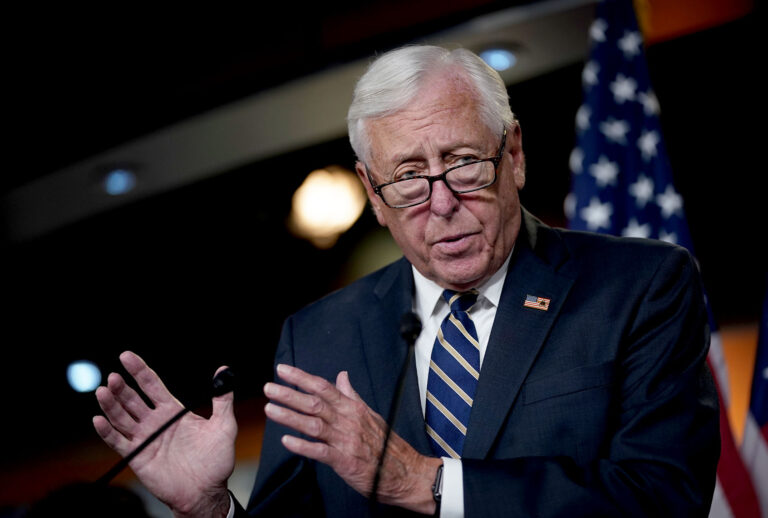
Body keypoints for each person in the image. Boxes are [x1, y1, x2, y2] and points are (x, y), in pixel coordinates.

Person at [93, 45, 719, 517]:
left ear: (516, 154)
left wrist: (426, 482)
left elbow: (664, 496)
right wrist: (212, 509)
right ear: (372, 192)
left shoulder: (640, 285)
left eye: (463, 163)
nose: (441, 203)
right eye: (408, 178)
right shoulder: (317, 338)